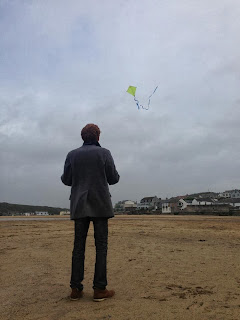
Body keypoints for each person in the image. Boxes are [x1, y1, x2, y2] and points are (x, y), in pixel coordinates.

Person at [61, 123, 120, 302]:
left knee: (78, 247)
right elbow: (113, 178)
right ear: (98, 137)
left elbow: (66, 180)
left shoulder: (72, 154)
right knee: (101, 247)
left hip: (79, 204)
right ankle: (99, 289)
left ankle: (75, 289)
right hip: (100, 204)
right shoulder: (104, 153)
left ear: (83, 137)